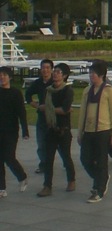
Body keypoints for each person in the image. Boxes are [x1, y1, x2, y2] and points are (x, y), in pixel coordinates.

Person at [77, 60, 112, 203]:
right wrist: (80, 131)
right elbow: (82, 112)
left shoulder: (109, 90)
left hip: (103, 130)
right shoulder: (87, 91)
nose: (91, 75)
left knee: (101, 161)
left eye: (93, 73)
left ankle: (99, 189)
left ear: (101, 75)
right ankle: (102, 178)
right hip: (88, 131)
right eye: (90, 73)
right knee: (85, 159)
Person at [37, 63, 75, 197]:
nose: (55, 74)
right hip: (51, 128)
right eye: (55, 71)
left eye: (58, 72)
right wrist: (48, 109)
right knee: (48, 159)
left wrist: (48, 109)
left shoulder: (68, 90)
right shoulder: (48, 90)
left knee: (66, 157)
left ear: (64, 75)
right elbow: (42, 105)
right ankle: (47, 185)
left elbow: (65, 109)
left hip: (63, 129)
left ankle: (71, 180)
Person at [0, 66, 30, 198]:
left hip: (11, 131)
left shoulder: (16, 93)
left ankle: (22, 176)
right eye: (0, 75)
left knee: (9, 156)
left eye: (5, 75)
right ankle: (1, 188)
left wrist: (25, 130)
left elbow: (21, 113)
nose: (2, 77)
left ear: (10, 77)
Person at [24, 59, 53, 175]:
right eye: (43, 68)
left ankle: (66, 164)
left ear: (51, 69)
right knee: (41, 144)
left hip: (53, 118)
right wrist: (35, 105)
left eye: (47, 68)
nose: (45, 70)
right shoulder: (38, 82)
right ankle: (44, 164)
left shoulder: (55, 82)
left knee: (58, 146)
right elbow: (28, 94)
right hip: (41, 117)